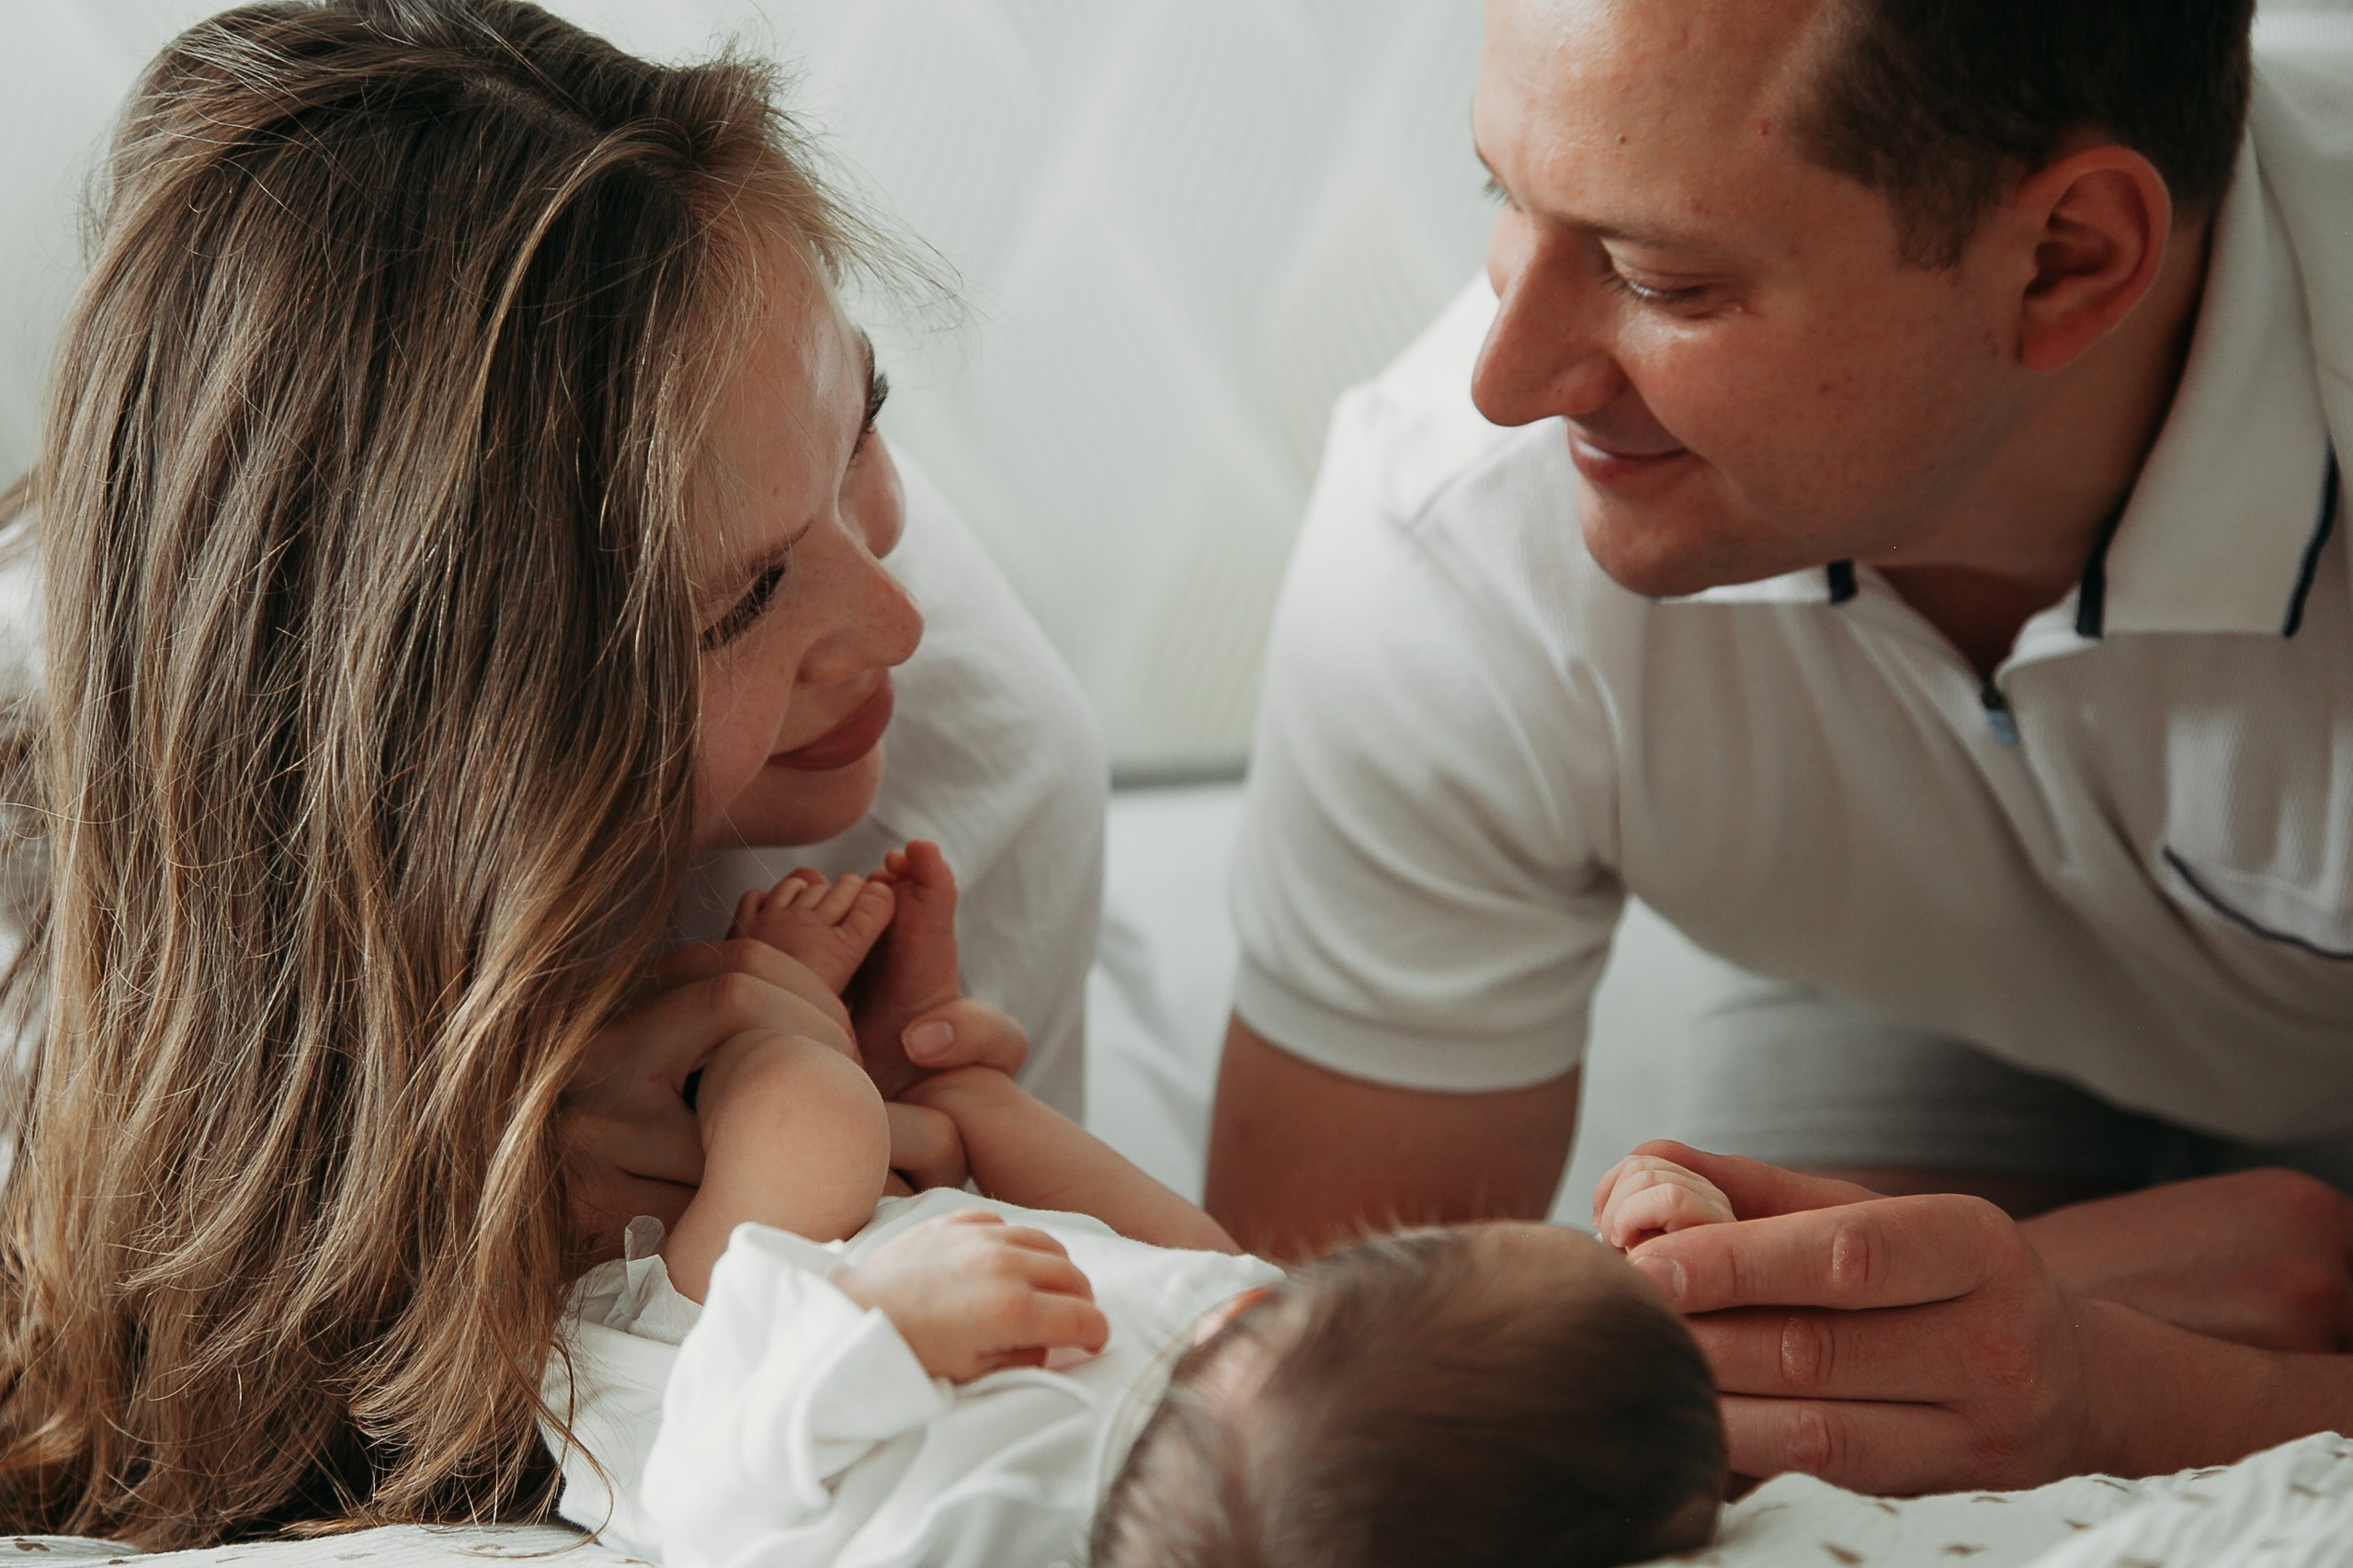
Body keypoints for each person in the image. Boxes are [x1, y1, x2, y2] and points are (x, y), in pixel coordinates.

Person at [1207, 0, 2353, 1494]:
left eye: (1658, 276)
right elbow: (1302, 1419)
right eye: (1506, 195)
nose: (1505, 379)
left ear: (2067, 258)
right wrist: (2047, 1306)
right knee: (1757, 1428)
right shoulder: (1458, 536)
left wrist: (2173, 1401)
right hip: (1919, 976)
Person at [0, 0, 1097, 1546]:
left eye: (867, 427)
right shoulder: (49, 842)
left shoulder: (960, 749)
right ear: (435, 745)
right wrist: (481, 1258)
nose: (890, 620)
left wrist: (913, 1166)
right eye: (739, 604)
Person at [547, 853, 1725, 1568]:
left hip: (705, 1346)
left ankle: (773, 999)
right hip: (913, 1225)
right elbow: (1203, 1259)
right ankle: (932, 1097)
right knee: (981, 1144)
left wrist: (878, 1334)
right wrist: (1648, 1250)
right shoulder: (1260, 1351)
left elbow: (713, 1506)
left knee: (818, 1123)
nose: (1275, 1292)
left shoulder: (1000, 1536)